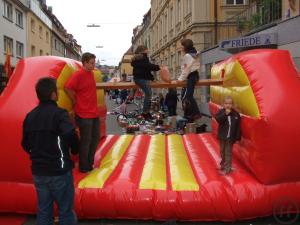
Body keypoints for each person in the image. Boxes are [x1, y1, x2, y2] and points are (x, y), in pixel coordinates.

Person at [22, 77, 79, 225]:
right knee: (65, 211)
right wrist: (74, 149)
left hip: (39, 172)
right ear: (54, 94)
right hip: (58, 170)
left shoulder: (30, 116)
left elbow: (25, 144)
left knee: (44, 210)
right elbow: (70, 133)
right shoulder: (60, 114)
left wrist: (37, 154)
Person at [65, 52, 100, 173]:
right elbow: (68, 87)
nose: (93, 65)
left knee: (95, 138)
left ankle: (89, 163)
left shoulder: (91, 73)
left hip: (93, 113)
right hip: (83, 113)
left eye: (94, 63)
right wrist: (75, 100)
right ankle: (84, 166)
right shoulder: (78, 74)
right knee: (86, 141)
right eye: (91, 63)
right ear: (84, 62)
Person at [172, 39, 201, 122]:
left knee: (188, 96)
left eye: (182, 45)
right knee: (186, 97)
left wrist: (180, 79)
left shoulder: (187, 56)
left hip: (191, 76)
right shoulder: (193, 54)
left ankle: (195, 114)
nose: (180, 47)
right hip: (193, 75)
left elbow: (186, 70)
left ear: (185, 46)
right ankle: (190, 115)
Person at [131, 45, 161, 120]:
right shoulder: (142, 58)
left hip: (141, 78)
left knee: (148, 94)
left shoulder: (141, 58)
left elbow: (146, 70)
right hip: (140, 79)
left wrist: (152, 78)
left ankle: (147, 112)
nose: (148, 50)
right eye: (146, 49)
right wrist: (158, 67)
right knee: (148, 94)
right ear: (143, 50)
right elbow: (148, 66)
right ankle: (145, 112)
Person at [215, 96, 241, 175]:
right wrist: (225, 114)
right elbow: (218, 119)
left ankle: (227, 169)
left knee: (228, 153)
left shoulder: (236, 114)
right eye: (226, 103)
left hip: (230, 138)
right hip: (222, 137)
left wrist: (237, 137)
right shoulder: (221, 112)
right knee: (222, 152)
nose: (228, 105)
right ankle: (223, 164)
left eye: (230, 103)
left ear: (232, 105)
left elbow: (238, 127)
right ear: (223, 104)